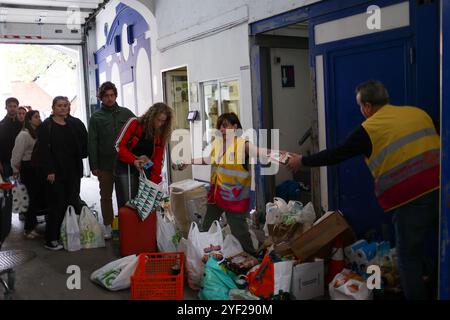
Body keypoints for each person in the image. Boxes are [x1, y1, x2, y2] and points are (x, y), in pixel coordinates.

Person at [286, 80, 440, 300]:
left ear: (367, 106)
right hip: (442, 189)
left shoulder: (369, 129)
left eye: (360, 106)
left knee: (408, 257)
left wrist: (302, 160)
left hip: (411, 199)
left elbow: (337, 154)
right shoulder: (417, 113)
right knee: (442, 246)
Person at [181, 112, 274, 255]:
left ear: (235, 127)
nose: (222, 130)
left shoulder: (243, 145)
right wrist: (189, 161)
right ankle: (205, 254)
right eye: (220, 127)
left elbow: (258, 151)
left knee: (240, 232)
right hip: (216, 195)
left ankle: (252, 256)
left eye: (225, 126)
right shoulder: (217, 144)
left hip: (234, 199)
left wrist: (276, 154)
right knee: (207, 226)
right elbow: (208, 159)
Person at [37, 96, 88, 250]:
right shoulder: (47, 125)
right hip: (56, 172)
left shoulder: (74, 123)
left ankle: (67, 234)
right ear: (53, 107)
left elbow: (83, 141)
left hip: (73, 171)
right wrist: (49, 171)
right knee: (57, 205)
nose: (63, 108)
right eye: (59, 105)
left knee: (72, 202)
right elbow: (44, 151)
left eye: (65, 105)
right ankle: (51, 239)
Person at [88, 82, 135, 239]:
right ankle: (108, 225)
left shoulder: (126, 114)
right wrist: (94, 165)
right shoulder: (96, 118)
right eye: (106, 96)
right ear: (101, 98)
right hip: (105, 165)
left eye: (112, 95)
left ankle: (125, 224)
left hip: (124, 164)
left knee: (126, 196)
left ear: (116, 96)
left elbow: (137, 134)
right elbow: (92, 142)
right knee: (106, 196)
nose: (109, 98)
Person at [114, 102, 174, 207]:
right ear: (151, 116)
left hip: (144, 167)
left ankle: (142, 223)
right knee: (127, 202)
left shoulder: (161, 133)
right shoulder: (134, 123)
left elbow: (158, 160)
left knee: (143, 204)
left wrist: (155, 183)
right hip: (126, 166)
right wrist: (134, 160)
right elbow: (118, 145)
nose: (160, 124)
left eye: (163, 121)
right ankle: (128, 222)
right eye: (158, 120)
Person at [11, 110, 42, 238]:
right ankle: (28, 229)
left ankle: (32, 225)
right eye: (36, 117)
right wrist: (15, 170)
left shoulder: (35, 133)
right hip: (27, 168)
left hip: (35, 167)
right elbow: (16, 154)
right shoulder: (24, 135)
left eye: (39, 116)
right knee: (30, 199)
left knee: (34, 198)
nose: (39, 119)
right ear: (29, 120)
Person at [0, 97, 22, 179]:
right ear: (6, 107)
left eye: (15, 106)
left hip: (21, 162)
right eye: (10, 106)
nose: (12, 108)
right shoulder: (1, 125)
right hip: (6, 162)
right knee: (8, 188)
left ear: (17, 107)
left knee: (23, 189)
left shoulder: (22, 125)